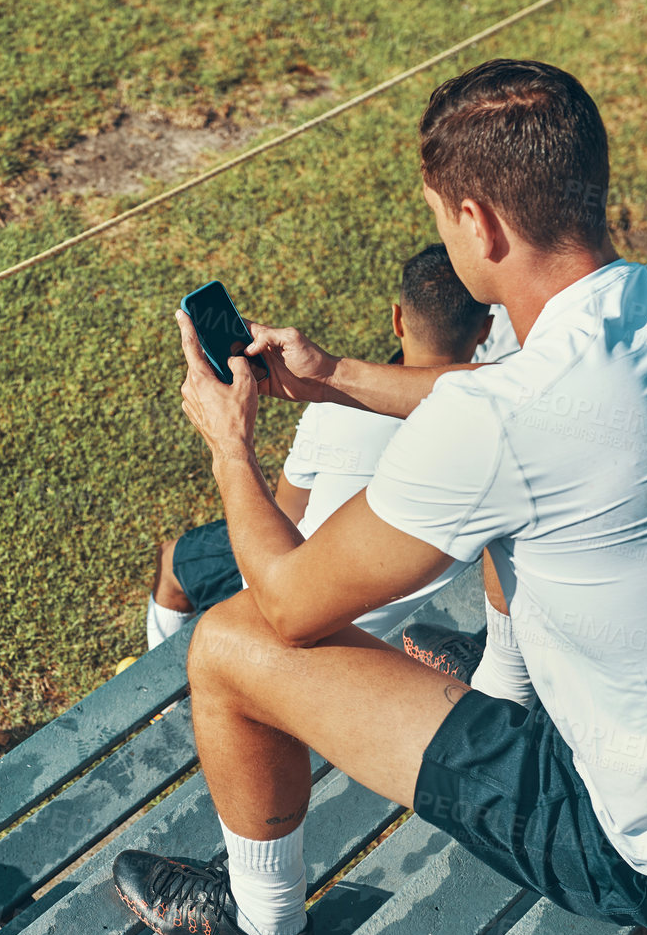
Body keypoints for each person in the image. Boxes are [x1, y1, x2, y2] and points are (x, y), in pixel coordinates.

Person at [112, 59, 647, 935]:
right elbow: (518, 397)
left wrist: (230, 445)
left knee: (227, 645)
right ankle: (503, 689)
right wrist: (335, 375)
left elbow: (292, 605)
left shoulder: (502, 423)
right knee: (532, 520)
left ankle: (263, 919)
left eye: (436, 213)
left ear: (477, 221)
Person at [146, 245, 510, 650]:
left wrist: (231, 447)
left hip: (295, 603)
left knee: (175, 561)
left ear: (397, 319)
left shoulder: (333, 414)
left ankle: (170, 708)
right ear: (485, 330)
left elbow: (286, 527)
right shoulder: (503, 421)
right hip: (404, 613)